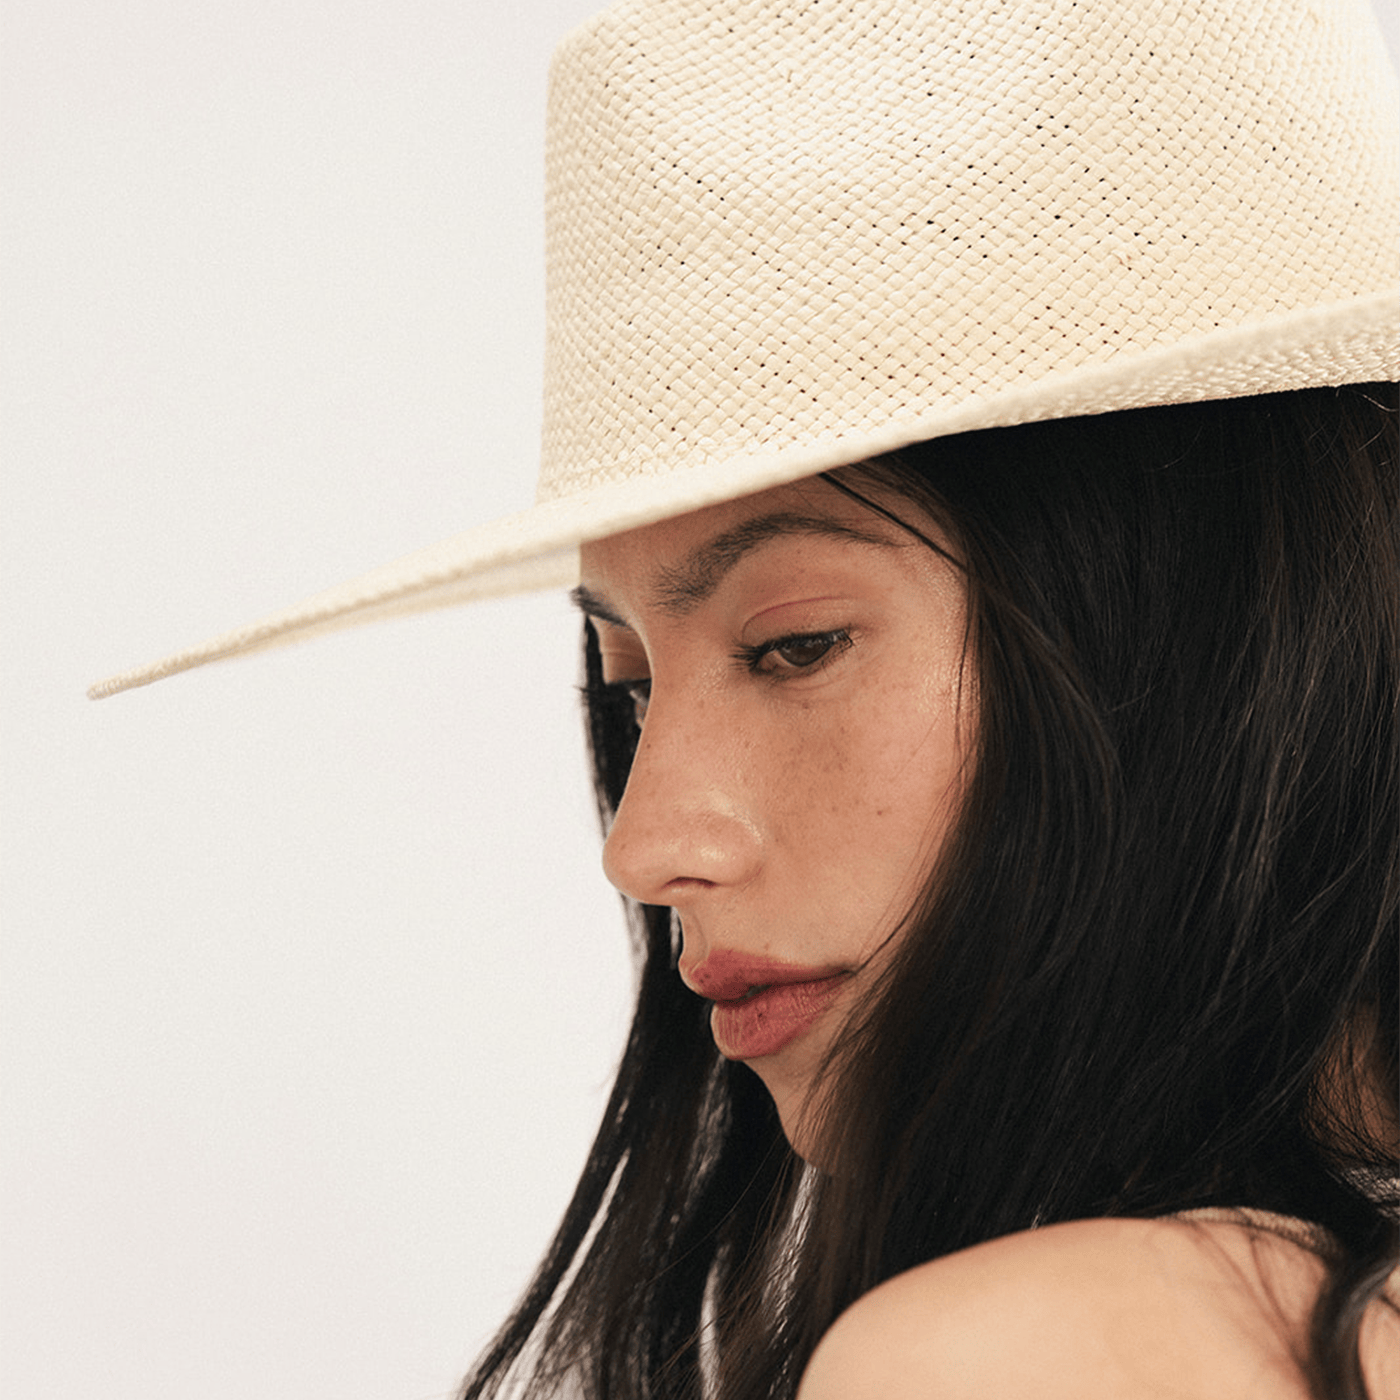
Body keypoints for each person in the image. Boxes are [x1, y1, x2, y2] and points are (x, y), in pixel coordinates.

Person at [91, 0, 1399, 1395]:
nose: (643, 846)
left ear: (1226, 628)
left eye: (794, 646)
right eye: (629, 690)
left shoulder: (1035, 1349)